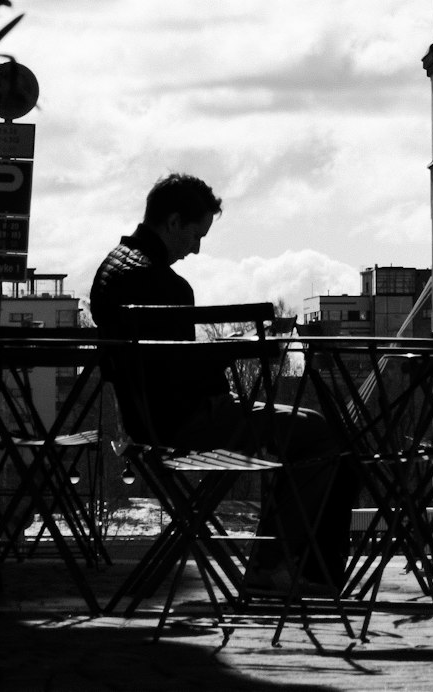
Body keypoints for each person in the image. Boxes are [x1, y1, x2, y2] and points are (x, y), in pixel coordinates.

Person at [90, 172, 354, 594]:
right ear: (174, 222)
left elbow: (164, 364)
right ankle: (286, 570)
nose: (195, 249)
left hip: (144, 423)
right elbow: (180, 373)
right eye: (196, 235)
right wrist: (233, 350)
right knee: (324, 435)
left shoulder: (110, 270)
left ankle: (278, 567)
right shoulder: (165, 284)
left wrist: (218, 354)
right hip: (187, 423)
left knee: (305, 430)